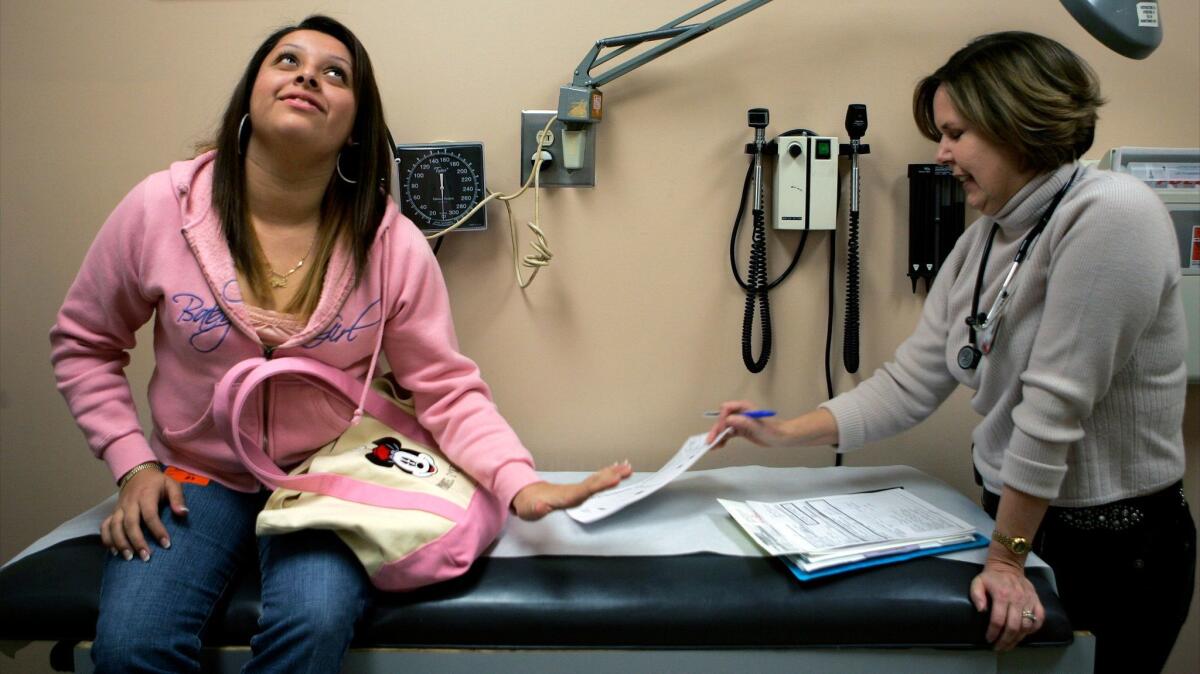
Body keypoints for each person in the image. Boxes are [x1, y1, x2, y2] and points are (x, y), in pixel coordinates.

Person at [50, 15, 631, 673]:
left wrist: (519, 483)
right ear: (250, 95)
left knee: (315, 621)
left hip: (326, 478)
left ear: (355, 125)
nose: (307, 76)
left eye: (334, 73)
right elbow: (84, 343)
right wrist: (132, 462)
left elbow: (445, 388)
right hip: (194, 474)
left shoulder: (390, 244)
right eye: (287, 61)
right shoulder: (160, 210)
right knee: (131, 648)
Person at [707, 31, 1193, 672]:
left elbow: (1054, 409)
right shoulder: (985, 240)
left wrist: (1005, 559)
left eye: (957, 132)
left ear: (1018, 122)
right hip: (1019, 524)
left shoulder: (1111, 214)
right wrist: (782, 431)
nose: (943, 153)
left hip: (1113, 545)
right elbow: (910, 383)